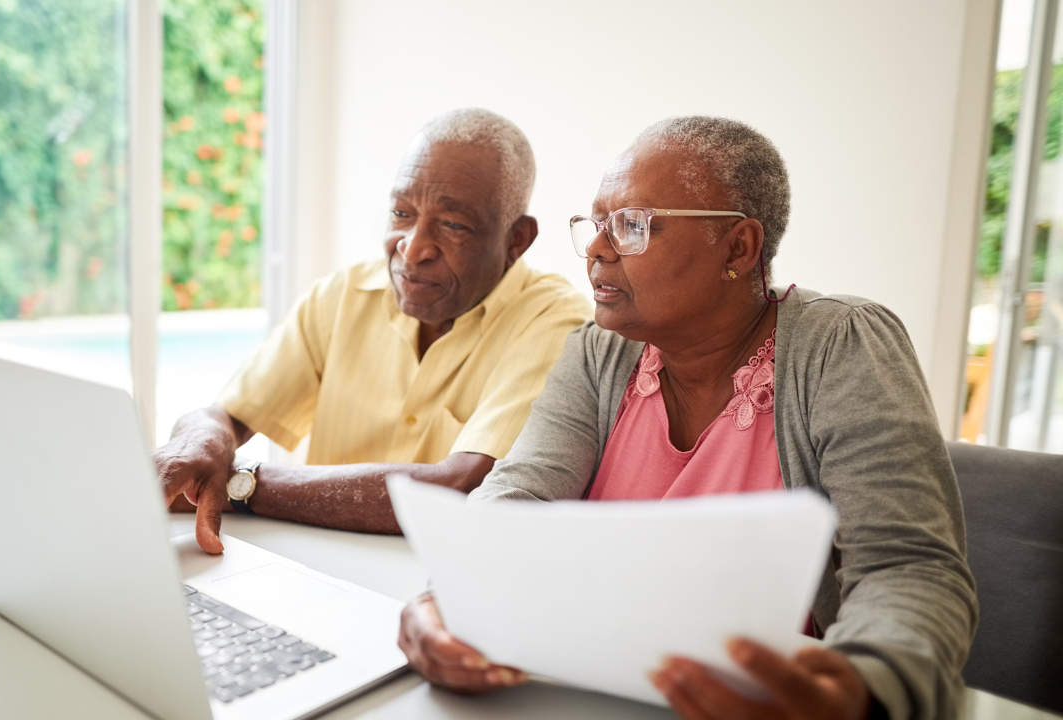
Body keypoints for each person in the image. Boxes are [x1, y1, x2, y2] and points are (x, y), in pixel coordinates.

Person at [397, 117, 977, 720]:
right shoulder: (599, 352)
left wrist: (860, 689)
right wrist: (444, 601)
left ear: (737, 248)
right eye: (596, 224)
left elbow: (908, 566)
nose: (597, 247)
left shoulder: (841, 344)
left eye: (632, 226)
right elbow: (518, 497)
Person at [155, 108, 592, 555]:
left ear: (517, 240)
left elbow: (464, 486)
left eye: (453, 225)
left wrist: (244, 484)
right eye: (402, 212)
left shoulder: (559, 324)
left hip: (432, 590)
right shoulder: (344, 294)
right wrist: (201, 444)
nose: (413, 247)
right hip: (311, 566)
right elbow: (226, 416)